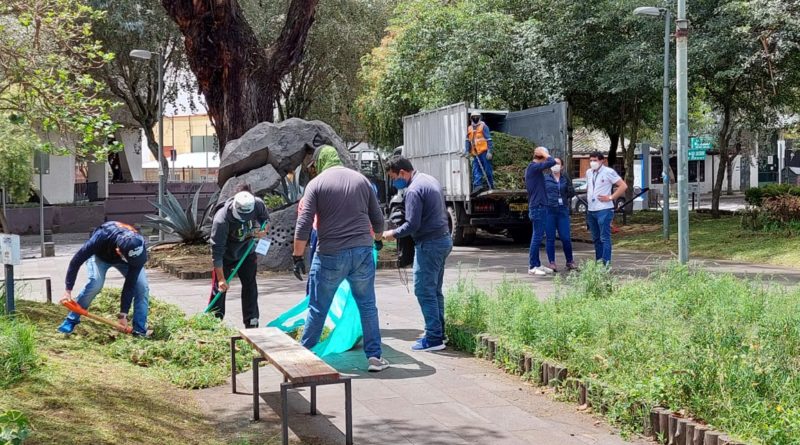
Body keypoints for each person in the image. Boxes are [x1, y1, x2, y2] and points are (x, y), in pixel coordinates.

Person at [292, 152, 389, 372]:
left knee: (318, 307)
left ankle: (306, 355)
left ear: (321, 163)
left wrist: (297, 256)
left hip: (330, 254)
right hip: (362, 253)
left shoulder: (316, 185)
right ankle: (374, 358)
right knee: (367, 305)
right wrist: (378, 239)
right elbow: (378, 219)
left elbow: (304, 223)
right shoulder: (361, 180)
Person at [382, 156, 452, 352]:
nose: (394, 182)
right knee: (435, 290)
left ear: (402, 173)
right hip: (443, 240)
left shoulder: (413, 190)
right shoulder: (430, 180)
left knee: (423, 290)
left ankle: (434, 338)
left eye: (393, 177)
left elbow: (412, 224)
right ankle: (439, 332)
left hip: (429, 244)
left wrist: (392, 234)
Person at [57, 221, 150, 336]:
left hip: (126, 259)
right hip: (100, 257)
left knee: (142, 287)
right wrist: (68, 290)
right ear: (118, 251)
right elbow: (76, 261)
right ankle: (71, 320)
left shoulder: (138, 248)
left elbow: (130, 284)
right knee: (96, 283)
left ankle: (139, 331)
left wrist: (123, 314)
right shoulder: (101, 237)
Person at [209, 188, 271, 328]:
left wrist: (264, 229)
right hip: (226, 255)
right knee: (220, 289)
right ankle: (213, 323)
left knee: (250, 285)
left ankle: (252, 320)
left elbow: (265, 219)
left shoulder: (258, 204)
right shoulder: (221, 220)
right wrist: (221, 279)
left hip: (246, 252)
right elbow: (217, 251)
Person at [585, 151, 627, 266]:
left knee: (604, 238)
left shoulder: (608, 172)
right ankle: (599, 262)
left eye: (595, 160)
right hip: (591, 209)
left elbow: (623, 186)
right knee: (596, 238)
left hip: (604, 209)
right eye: (591, 160)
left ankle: (606, 264)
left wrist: (611, 197)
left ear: (602, 160)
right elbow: (589, 187)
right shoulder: (589, 172)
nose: (593, 163)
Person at [526, 147, 557, 275]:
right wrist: (544, 153)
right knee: (537, 237)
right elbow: (552, 162)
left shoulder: (536, 169)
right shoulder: (533, 167)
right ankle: (532, 266)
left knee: (538, 236)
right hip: (537, 206)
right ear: (542, 157)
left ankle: (537, 264)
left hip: (540, 206)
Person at [544, 158, 576, 272]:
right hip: (549, 211)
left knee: (566, 238)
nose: (555, 165)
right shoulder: (545, 178)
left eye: (557, 164)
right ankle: (552, 262)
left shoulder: (565, 178)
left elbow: (571, 193)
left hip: (562, 210)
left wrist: (569, 185)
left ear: (562, 166)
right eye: (553, 163)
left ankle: (570, 261)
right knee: (550, 238)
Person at [464, 111, 494, 193]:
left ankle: (490, 185)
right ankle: (478, 186)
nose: (475, 118)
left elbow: (489, 139)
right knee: (476, 170)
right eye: (474, 117)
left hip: (484, 152)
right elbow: (467, 140)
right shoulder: (469, 128)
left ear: (480, 117)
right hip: (475, 154)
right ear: (471, 118)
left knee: (488, 170)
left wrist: (490, 151)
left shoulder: (483, 126)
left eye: (477, 116)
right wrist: (467, 151)